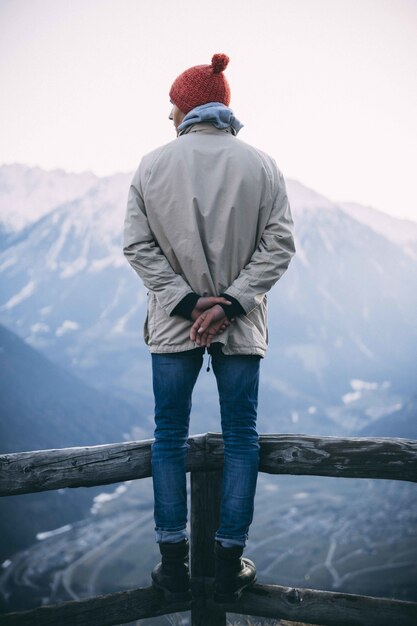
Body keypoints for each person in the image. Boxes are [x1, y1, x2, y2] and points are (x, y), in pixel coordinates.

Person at [123, 53, 296, 603]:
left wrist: (185, 304)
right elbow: (279, 247)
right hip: (240, 327)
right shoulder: (262, 165)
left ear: (190, 105)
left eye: (172, 105)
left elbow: (138, 246)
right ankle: (226, 565)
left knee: (168, 436)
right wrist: (230, 305)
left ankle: (173, 566)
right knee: (241, 438)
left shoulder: (151, 166)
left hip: (174, 327)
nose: (168, 115)